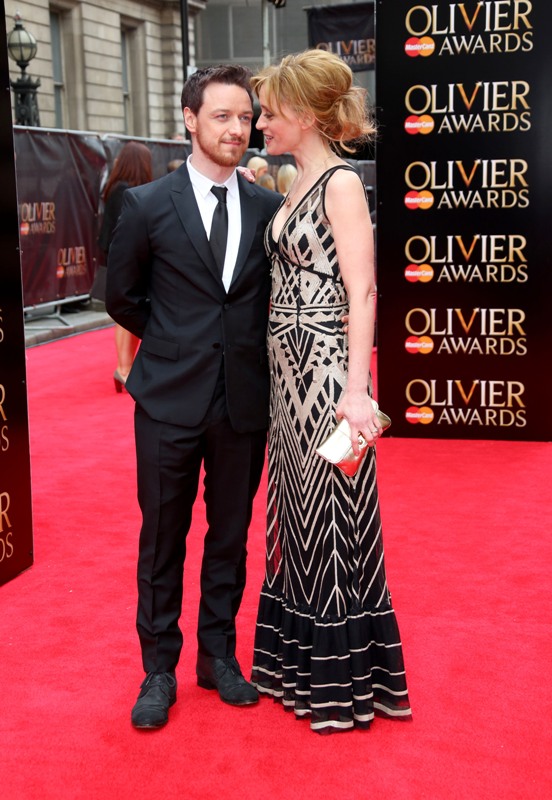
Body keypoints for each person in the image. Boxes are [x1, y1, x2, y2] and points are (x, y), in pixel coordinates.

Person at [105, 65, 281, 730]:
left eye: (245, 118)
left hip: (243, 404)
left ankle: (218, 657)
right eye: (221, 117)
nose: (237, 130)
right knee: (162, 539)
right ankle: (158, 669)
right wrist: (176, 342)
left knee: (230, 537)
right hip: (167, 402)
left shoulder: (267, 209)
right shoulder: (147, 204)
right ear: (189, 118)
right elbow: (121, 296)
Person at [250, 49, 412, 734]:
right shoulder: (294, 181)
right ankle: (299, 670)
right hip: (285, 376)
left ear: (305, 114)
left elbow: (362, 291)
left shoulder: (340, 183)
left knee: (332, 511)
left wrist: (355, 388)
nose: (260, 123)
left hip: (323, 373)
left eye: (269, 112)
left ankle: (340, 684)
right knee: (294, 508)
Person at [98, 141, 153, 392]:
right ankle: (123, 368)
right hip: (122, 260)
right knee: (124, 313)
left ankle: (126, 366)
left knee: (130, 310)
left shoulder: (121, 189)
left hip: (124, 257)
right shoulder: (123, 191)